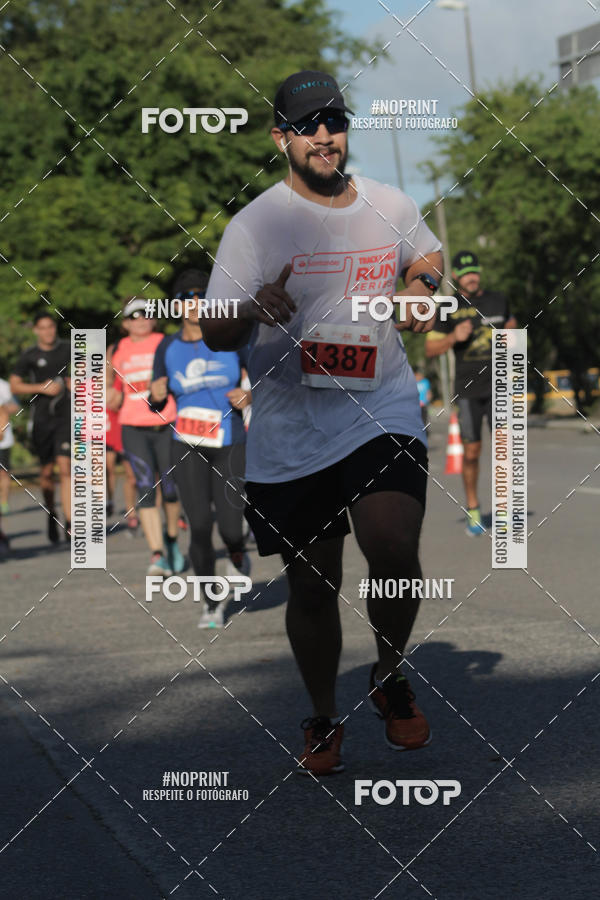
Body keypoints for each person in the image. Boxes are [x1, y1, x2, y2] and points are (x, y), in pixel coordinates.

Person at [202, 70, 443, 775]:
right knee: (313, 583)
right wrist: (252, 308)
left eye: (334, 122)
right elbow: (214, 328)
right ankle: (322, 713)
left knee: (391, 542)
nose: (324, 136)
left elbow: (427, 255)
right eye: (308, 126)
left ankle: (388, 675)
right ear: (281, 138)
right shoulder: (255, 225)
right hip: (292, 428)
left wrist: (421, 286)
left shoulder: (389, 203)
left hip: (380, 408)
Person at [149, 269, 251, 629]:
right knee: (200, 526)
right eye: (187, 298)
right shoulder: (167, 347)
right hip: (187, 444)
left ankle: (237, 551)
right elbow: (156, 401)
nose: (195, 304)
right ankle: (210, 603)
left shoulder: (233, 338)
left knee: (231, 529)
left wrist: (249, 395)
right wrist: (155, 397)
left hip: (229, 441)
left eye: (202, 297)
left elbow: (264, 379)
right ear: (176, 306)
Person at [425, 250, 517, 535]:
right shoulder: (449, 306)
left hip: (499, 386)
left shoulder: (498, 300)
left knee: (504, 449)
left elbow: (512, 327)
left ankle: (503, 509)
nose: (471, 277)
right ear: (456, 277)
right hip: (467, 390)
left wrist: (513, 338)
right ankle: (474, 507)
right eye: (465, 274)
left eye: (474, 271)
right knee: (472, 452)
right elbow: (431, 348)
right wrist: (454, 337)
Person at [108, 298, 184, 575]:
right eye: (134, 316)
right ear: (125, 323)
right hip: (133, 426)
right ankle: (157, 554)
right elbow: (110, 386)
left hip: (167, 422)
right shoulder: (116, 349)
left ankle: (172, 539)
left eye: (146, 314)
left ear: (154, 318)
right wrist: (110, 394)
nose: (141, 320)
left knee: (171, 489)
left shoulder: (167, 342)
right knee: (145, 489)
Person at [10, 311, 71, 543]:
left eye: (51, 327)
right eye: (43, 328)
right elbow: (15, 385)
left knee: (65, 468)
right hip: (42, 419)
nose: (48, 332)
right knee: (46, 473)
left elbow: (91, 371)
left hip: (66, 416)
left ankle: (70, 522)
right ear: (36, 330)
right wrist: (40, 388)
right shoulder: (29, 355)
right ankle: (52, 513)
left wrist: (76, 382)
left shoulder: (68, 349)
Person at [0, 378, 19, 557]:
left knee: (4, 473)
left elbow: (15, 407)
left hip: (3, 441)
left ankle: (4, 501)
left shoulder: (4, 386)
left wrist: (5, 409)